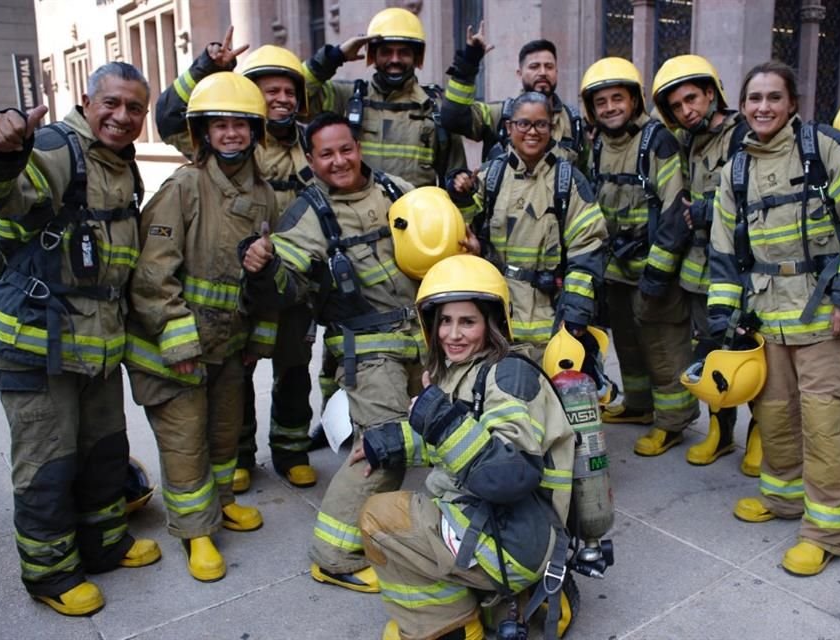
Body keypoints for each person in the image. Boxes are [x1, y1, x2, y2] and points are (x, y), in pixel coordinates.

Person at [0, 61, 161, 616]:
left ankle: (104, 544)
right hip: (36, 345)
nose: (122, 116)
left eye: (134, 108)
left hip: (95, 347)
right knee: (47, 463)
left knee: (103, 453)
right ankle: (50, 575)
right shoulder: (52, 148)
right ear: (88, 101)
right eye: (111, 104)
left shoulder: (120, 164)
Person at [710, 61, 840, 576]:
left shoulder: (826, 148)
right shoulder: (735, 170)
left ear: (792, 103)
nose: (762, 107)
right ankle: (784, 498)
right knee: (776, 417)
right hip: (768, 321)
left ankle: (826, 530)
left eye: (773, 97)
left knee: (826, 426)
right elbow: (725, 252)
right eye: (754, 98)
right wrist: (728, 318)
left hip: (827, 318)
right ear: (743, 106)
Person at [240, 112, 419, 593]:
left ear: (358, 146)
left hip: (425, 336)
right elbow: (288, 286)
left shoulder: (396, 189)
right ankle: (333, 556)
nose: (338, 161)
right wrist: (264, 266)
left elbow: (438, 238)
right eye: (325, 153)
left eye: (345, 149)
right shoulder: (307, 214)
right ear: (312, 159)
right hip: (368, 346)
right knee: (385, 448)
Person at [356, 254, 575, 640]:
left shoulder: (506, 377)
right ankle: (488, 599)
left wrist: (438, 418)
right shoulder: (474, 370)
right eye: (445, 320)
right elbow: (457, 445)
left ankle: (451, 626)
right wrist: (388, 441)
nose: (452, 334)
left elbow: (509, 476)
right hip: (508, 526)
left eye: (467, 321)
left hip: (517, 537)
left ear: (492, 324)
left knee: (380, 517)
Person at [155, 27, 320, 491]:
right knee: (240, 372)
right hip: (240, 284)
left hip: (295, 281)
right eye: (271, 91)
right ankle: (241, 454)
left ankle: (291, 450)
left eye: (290, 91)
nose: (282, 99)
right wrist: (207, 67)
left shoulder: (310, 142)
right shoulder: (228, 134)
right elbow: (170, 118)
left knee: (293, 369)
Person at [125, 72, 274, 582]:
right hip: (176, 346)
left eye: (241, 124)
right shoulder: (183, 187)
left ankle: (221, 503)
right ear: (202, 133)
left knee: (223, 433)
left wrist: (258, 337)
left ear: (255, 131)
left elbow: (260, 279)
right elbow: (151, 271)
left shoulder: (262, 195)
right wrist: (177, 335)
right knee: (186, 441)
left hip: (228, 344)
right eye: (221, 125)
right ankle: (196, 532)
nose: (231, 133)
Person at [579, 57, 698, 454]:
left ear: (634, 101)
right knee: (628, 345)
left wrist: (658, 274)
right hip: (616, 267)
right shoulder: (598, 145)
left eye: (618, 98)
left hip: (651, 267)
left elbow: (673, 208)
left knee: (662, 346)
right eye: (601, 102)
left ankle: (673, 422)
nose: (610, 107)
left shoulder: (656, 140)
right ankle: (639, 406)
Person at [651, 54, 762, 473]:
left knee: (749, 356)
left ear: (712, 93)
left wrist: (703, 210)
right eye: (677, 106)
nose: (686, 111)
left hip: (742, 271)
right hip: (700, 274)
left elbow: (753, 196)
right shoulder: (685, 141)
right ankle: (721, 432)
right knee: (715, 356)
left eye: (692, 99)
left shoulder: (744, 136)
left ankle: (759, 436)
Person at [448, 91, 607, 363]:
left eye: (541, 124)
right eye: (523, 124)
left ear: (551, 127)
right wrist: (459, 192)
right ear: (509, 127)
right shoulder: (490, 177)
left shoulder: (568, 182)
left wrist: (575, 316)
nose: (532, 132)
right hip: (497, 321)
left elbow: (588, 248)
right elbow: (462, 228)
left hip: (552, 323)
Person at [300, 6, 468, 188]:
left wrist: (461, 189)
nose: (394, 59)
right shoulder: (348, 99)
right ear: (373, 56)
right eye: (386, 52)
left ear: (416, 57)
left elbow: (456, 176)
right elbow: (298, 100)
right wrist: (335, 56)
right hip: (359, 214)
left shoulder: (435, 108)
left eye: (403, 52)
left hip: (416, 215)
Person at [441, 22, 586, 165]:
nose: (542, 72)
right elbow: (453, 119)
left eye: (549, 67)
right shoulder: (498, 115)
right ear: (519, 73)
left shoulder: (573, 123)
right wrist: (469, 62)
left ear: (556, 72)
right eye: (534, 67)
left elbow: (586, 180)